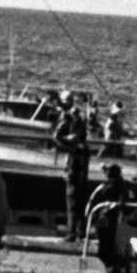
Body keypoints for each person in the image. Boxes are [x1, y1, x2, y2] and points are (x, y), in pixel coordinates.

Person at [86, 163, 133, 273]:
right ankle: (109, 264)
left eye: (108, 172)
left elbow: (119, 198)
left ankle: (109, 265)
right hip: (107, 217)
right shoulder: (116, 183)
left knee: (107, 242)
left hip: (109, 218)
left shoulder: (115, 186)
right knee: (105, 241)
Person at [54, 97, 92, 237]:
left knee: (72, 208)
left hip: (73, 181)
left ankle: (71, 233)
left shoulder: (74, 145)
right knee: (81, 209)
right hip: (83, 181)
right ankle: (81, 233)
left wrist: (62, 123)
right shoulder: (85, 147)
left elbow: (57, 137)